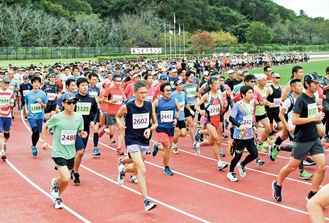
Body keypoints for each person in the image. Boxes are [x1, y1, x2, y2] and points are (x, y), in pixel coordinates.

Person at [272, 72, 326, 202]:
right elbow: (295, 120)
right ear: (307, 84)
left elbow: (312, 115)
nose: (317, 85)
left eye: (318, 83)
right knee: (292, 166)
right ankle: (277, 184)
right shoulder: (301, 99)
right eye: (315, 83)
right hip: (302, 139)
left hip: (314, 138)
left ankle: (312, 194)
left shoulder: (313, 97)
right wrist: (314, 118)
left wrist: (318, 118)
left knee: (322, 167)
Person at [116, 80, 158, 211]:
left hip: (144, 140)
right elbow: (118, 116)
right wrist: (121, 124)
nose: (144, 95)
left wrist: (150, 129)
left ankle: (123, 170)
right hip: (132, 139)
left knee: (138, 164)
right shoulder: (128, 105)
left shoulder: (148, 104)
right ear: (134, 93)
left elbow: (155, 123)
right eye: (141, 93)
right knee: (142, 169)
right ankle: (146, 201)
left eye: (146, 92)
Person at [41, 92, 87, 209]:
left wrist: (82, 133)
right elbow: (45, 126)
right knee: (66, 177)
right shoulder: (57, 117)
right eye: (69, 103)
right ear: (63, 104)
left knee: (65, 180)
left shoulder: (78, 117)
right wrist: (44, 141)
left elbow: (79, 131)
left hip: (70, 153)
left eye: (74, 102)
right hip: (58, 152)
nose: (72, 105)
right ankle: (55, 183)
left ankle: (57, 197)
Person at [267, 78, 313, 180]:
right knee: (300, 148)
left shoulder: (303, 99)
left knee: (302, 148)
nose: (301, 87)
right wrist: (287, 126)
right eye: (299, 86)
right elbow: (281, 114)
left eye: (301, 86)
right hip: (293, 128)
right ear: (293, 88)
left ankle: (278, 147)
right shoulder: (289, 100)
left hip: (303, 127)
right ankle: (302, 172)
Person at [193, 76, 228, 170]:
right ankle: (219, 163)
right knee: (217, 140)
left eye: (218, 83)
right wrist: (200, 111)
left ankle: (198, 144)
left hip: (217, 119)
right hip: (209, 120)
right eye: (216, 84)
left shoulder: (220, 95)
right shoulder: (206, 96)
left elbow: (221, 108)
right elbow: (196, 105)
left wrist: (224, 106)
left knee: (211, 142)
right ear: (210, 85)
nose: (218, 85)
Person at [227, 85, 258, 182]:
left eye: (252, 92)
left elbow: (250, 117)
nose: (251, 95)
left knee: (254, 154)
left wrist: (253, 126)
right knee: (238, 155)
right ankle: (230, 172)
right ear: (243, 95)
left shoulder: (252, 104)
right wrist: (239, 125)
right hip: (240, 135)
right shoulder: (238, 105)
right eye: (249, 93)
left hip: (249, 134)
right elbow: (231, 117)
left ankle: (242, 165)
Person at [72, 77, 99, 185]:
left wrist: (93, 121)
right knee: (80, 151)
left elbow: (96, 112)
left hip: (85, 129)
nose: (85, 87)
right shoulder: (73, 99)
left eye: (86, 85)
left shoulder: (91, 99)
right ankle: (76, 173)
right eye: (82, 85)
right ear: (78, 87)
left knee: (80, 152)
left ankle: (73, 169)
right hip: (73, 128)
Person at [152, 82, 180, 176]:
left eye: (170, 90)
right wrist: (155, 122)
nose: (169, 92)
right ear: (162, 92)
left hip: (170, 127)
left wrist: (176, 118)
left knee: (167, 148)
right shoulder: (157, 102)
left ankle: (157, 146)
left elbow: (179, 110)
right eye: (167, 90)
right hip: (161, 128)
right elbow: (152, 113)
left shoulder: (174, 101)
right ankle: (166, 167)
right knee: (167, 147)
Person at [24, 76, 48, 156]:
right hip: (31, 116)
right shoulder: (28, 94)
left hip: (40, 116)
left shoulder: (43, 94)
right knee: (35, 130)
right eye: (35, 82)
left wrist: (41, 103)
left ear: (40, 83)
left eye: (38, 82)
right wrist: (26, 110)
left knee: (37, 133)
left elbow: (45, 106)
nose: (36, 84)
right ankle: (34, 147)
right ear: (32, 84)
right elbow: (26, 103)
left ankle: (33, 145)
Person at [0, 77, 15, 159]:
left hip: (7, 115)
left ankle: (3, 144)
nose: (6, 84)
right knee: (0, 134)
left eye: (8, 83)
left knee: (6, 134)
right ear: (1, 83)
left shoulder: (10, 92)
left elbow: (12, 104)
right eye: (5, 83)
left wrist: (9, 104)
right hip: (0, 116)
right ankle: (2, 152)